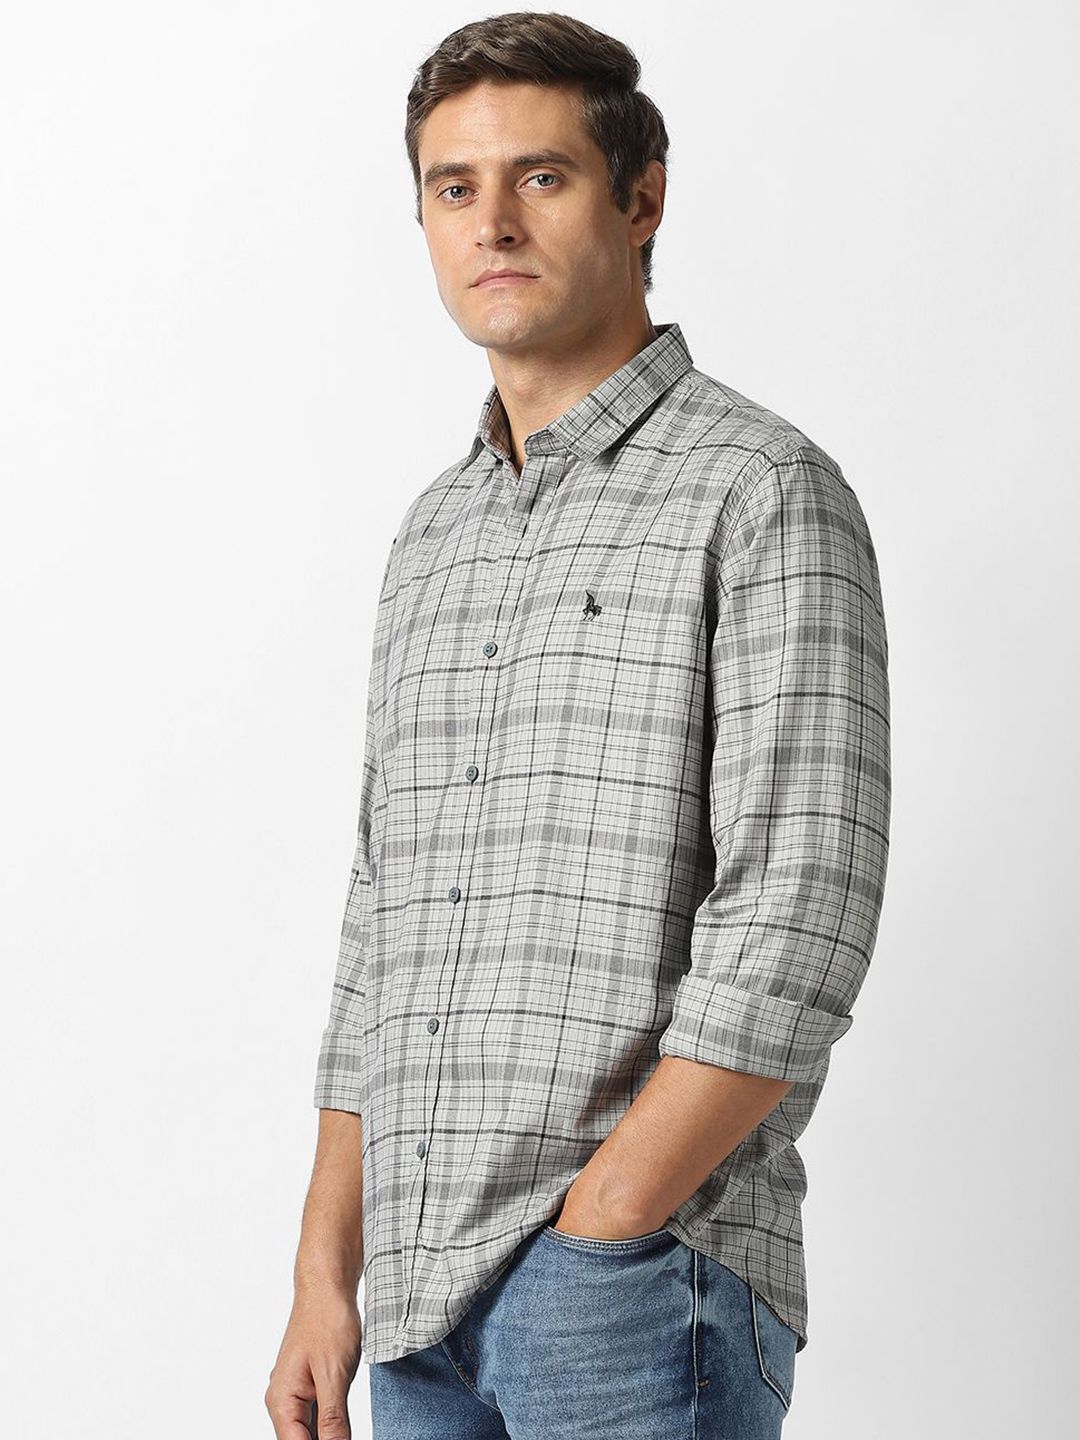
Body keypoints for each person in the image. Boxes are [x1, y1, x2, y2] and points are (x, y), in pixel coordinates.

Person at [266, 12, 891, 1439]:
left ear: (641, 198)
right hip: (416, 1307)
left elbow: (800, 910)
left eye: (540, 177)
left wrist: (608, 1217)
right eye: (454, 186)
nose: (491, 221)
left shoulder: (762, 490)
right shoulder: (433, 535)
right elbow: (383, 922)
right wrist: (324, 1273)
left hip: (626, 1286)